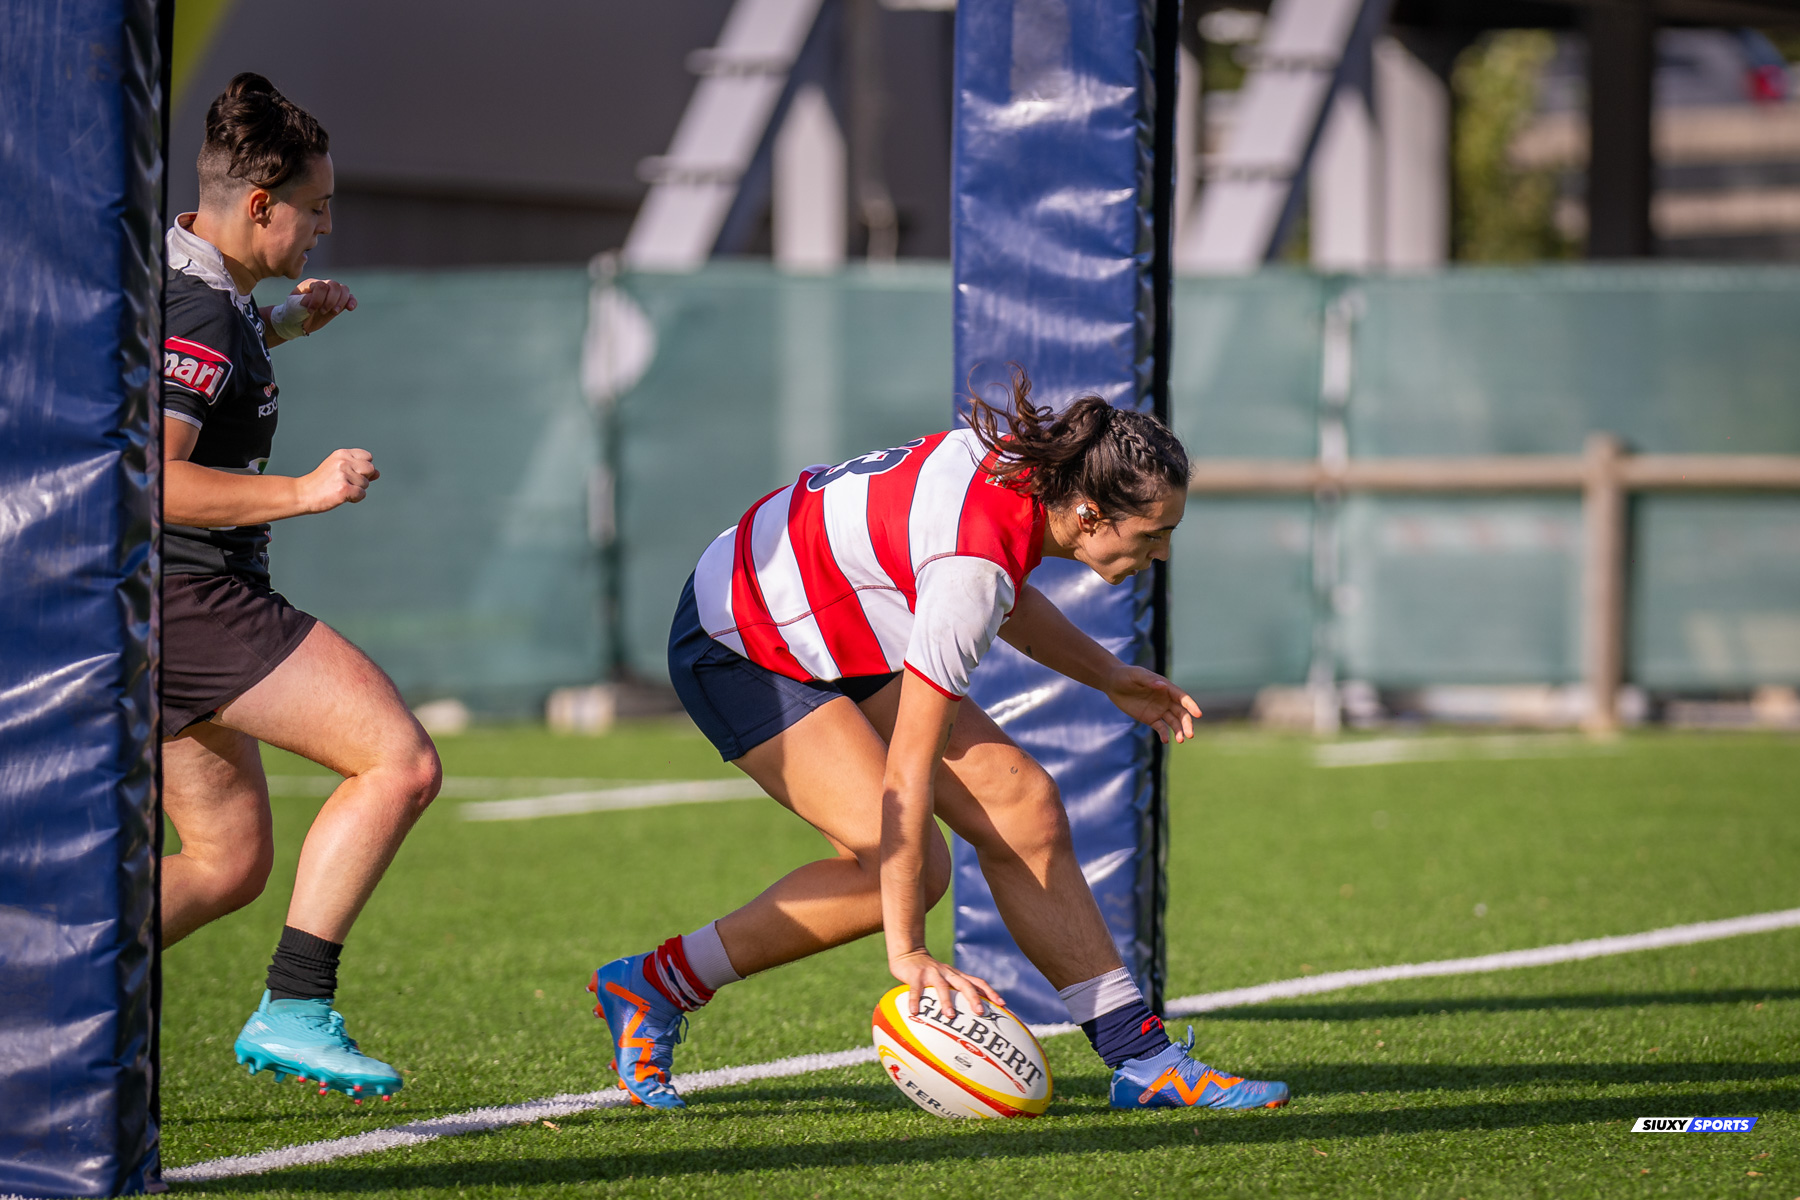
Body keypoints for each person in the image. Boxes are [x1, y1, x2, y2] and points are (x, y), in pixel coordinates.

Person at [590, 372, 1288, 1112]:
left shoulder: (1028, 479)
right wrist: (909, 952)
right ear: (1089, 514)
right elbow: (910, 765)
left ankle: (1145, 1061)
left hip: (844, 616)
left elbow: (1001, 586)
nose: (1165, 552)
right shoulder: (971, 568)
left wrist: (1109, 675)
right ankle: (653, 985)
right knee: (912, 870)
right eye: (1155, 534)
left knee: (1024, 805)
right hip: (743, 639)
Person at [160, 73, 440, 1102]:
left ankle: (43, 988)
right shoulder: (196, 305)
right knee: (398, 763)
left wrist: (277, 326)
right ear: (261, 205)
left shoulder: (203, 291)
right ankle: (296, 1004)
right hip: (194, 601)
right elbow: (155, 477)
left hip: (161, 607)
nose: (325, 228)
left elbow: (196, 360)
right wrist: (307, 491)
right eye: (315, 210)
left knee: (225, 861)